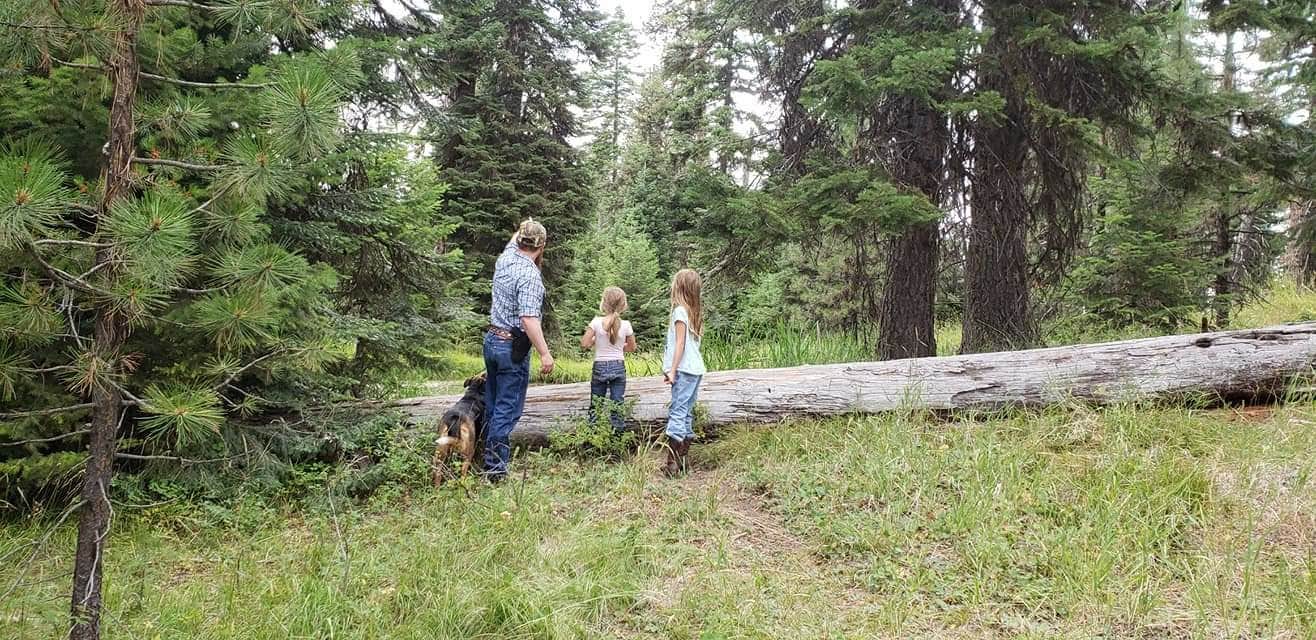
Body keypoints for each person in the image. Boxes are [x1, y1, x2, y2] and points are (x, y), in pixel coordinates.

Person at [483, 218, 554, 482]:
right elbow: (528, 319)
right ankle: (495, 470)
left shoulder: (505, 259)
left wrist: (526, 225)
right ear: (542, 245)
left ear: (521, 239)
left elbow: (513, 241)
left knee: (492, 405)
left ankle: (486, 458)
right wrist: (545, 353)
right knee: (506, 410)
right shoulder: (529, 275)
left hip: (491, 341)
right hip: (512, 348)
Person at [661, 269, 705, 477]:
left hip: (684, 369)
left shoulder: (680, 311)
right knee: (686, 413)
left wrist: (672, 370)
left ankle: (672, 464)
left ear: (679, 287)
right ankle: (683, 460)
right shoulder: (693, 312)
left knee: (677, 412)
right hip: (696, 369)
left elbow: (680, 343)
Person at [580, 286, 637, 432]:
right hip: (618, 365)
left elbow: (584, 344)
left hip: (600, 366)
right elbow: (631, 348)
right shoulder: (626, 325)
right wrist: (619, 347)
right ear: (623, 305)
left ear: (604, 303)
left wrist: (596, 341)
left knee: (596, 405)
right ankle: (617, 441)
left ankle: (592, 439)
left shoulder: (596, 322)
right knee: (617, 405)